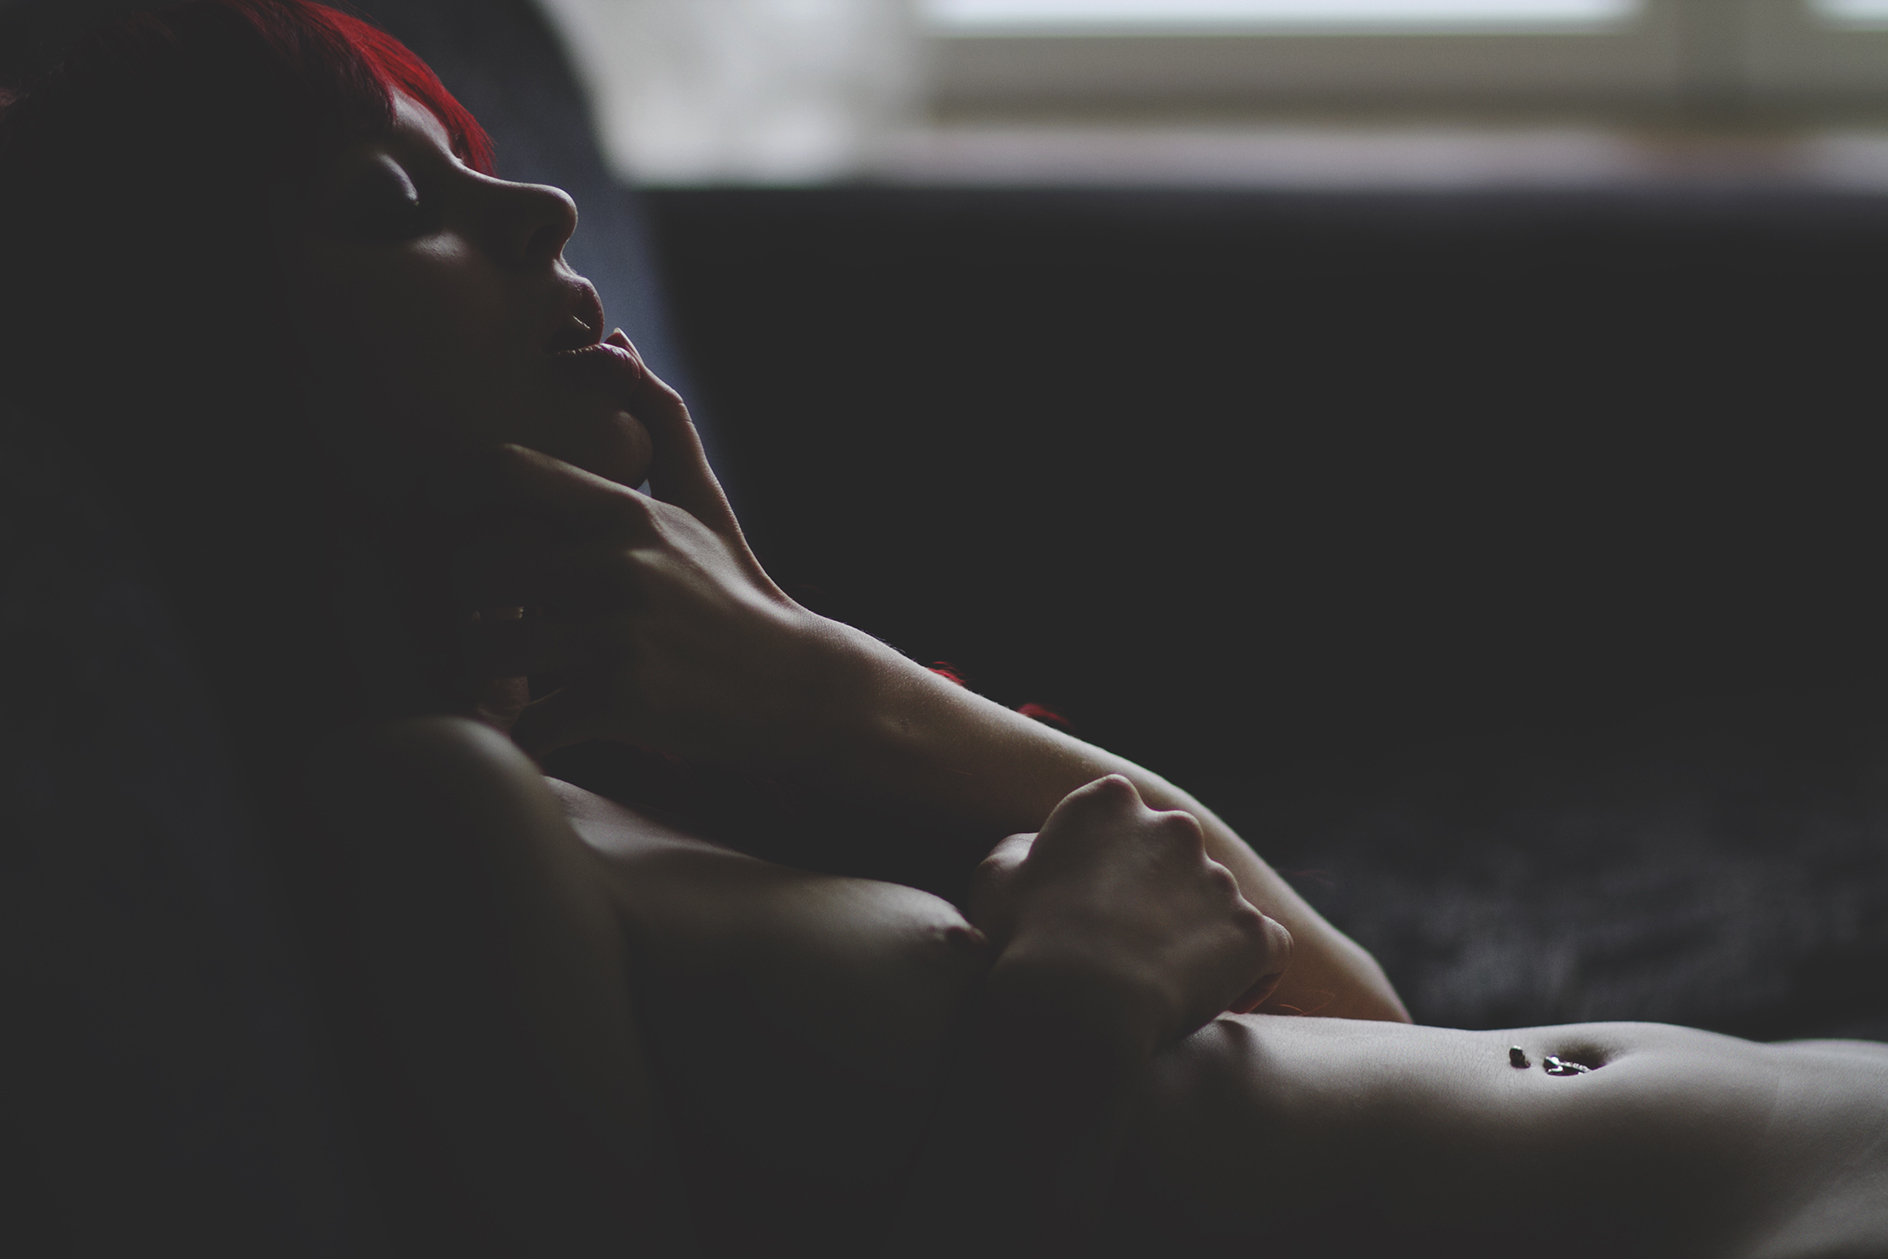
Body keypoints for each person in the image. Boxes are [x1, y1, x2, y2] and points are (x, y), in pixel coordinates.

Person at [1, 4, 1881, 1256]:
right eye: (390, 200)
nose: (541, 206)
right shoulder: (421, 809)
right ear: (195, 375)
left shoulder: (610, 773)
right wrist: (1069, 1010)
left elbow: (1349, 1010)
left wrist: (810, 674)